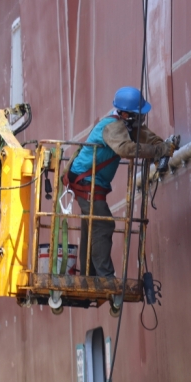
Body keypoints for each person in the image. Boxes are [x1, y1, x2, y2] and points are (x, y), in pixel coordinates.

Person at [63, 86, 174, 278]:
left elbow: (145, 136)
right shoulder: (113, 127)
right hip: (86, 182)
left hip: (91, 183)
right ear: (124, 113)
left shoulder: (126, 125)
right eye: (137, 115)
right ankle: (104, 277)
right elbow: (125, 149)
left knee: (92, 225)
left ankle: (89, 275)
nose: (140, 119)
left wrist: (162, 146)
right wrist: (159, 152)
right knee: (103, 225)